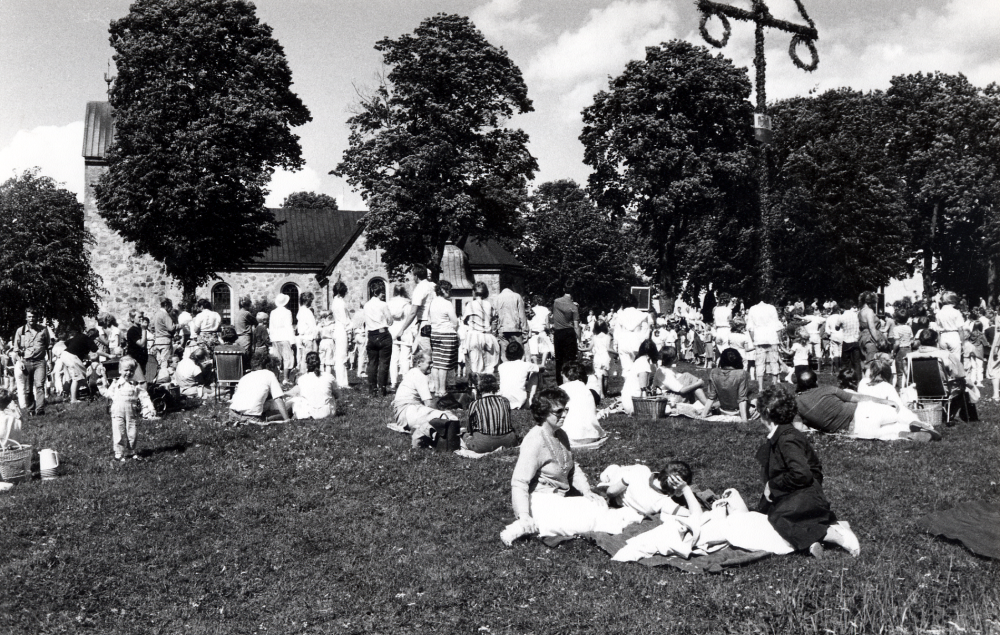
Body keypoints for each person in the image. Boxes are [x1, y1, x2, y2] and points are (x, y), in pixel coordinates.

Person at [501, 388, 634, 545]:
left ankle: (541, 524)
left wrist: (586, 491)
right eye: (558, 411)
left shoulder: (560, 434)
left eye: (566, 409)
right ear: (543, 413)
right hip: (540, 500)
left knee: (597, 505)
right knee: (591, 519)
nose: (564, 414)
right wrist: (523, 515)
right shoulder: (534, 441)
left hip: (559, 497)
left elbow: (572, 467)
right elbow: (519, 482)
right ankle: (525, 525)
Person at [755, 384, 860, 558]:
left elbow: (801, 474)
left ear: (766, 413)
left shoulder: (787, 439)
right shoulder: (781, 435)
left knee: (779, 518)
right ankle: (814, 539)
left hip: (808, 491)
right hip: (796, 489)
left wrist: (772, 485)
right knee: (768, 516)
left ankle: (835, 535)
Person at [794, 369, 936, 441]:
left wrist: (813, 421)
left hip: (854, 429)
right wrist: (884, 401)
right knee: (897, 412)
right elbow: (858, 397)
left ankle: (903, 433)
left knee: (880, 434)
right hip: (862, 411)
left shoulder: (796, 405)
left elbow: (799, 429)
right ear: (816, 382)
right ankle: (916, 423)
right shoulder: (828, 389)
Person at [600, 460, 704, 526]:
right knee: (613, 472)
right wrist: (686, 489)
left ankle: (613, 471)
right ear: (677, 490)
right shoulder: (663, 503)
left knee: (616, 471)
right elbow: (697, 516)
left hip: (618, 478)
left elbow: (610, 492)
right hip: (617, 479)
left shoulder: (641, 471)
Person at [392, 351, 459, 445]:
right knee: (449, 417)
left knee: (440, 417)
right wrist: (440, 412)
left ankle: (420, 428)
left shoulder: (412, 372)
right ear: (419, 363)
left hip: (402, 415)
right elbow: (429, 404)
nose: (432, 365)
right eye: (429, 363)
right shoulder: (420, 376)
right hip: (408, 412)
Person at [101, 356, 158, 461]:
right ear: (120, 370)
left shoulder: (135, 384)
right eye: (126, 370)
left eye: (131, 370)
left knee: (132, 432)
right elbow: (108, 394)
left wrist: (150, 407)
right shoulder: (116, 383)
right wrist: (101, 387)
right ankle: (119, 453)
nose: (128, 373)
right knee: (119, 431)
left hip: (131, 411)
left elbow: (144, 396)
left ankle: (131, 451)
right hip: (117, 411)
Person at [229, 350, 290, 425]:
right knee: (284, 411)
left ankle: (238, 422)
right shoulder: (269, 374)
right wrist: (287, 419)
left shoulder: (245, 377)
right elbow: (278, 399)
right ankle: (253, 422)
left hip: (233, 413)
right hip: (251, 416)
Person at [463, 374, 519, 453]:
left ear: (479, 387)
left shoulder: (475, 404)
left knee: (464, 434)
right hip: (509, 442)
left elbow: (470, 428)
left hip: (483, 444)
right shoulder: (505, 401)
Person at [12, 307, 52, 415]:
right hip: (26, 362)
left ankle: (40, 410)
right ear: (26, 318)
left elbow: (49, 347)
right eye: (29, 317)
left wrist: (50, 361)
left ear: (37, 318)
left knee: (40, 385)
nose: (31, 319)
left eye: (33, 316)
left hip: (40, 362)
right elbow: (16, 349)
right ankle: (31, 410)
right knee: (28, 388)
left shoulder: (43, 329)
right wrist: (20, 361)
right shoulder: (20, 331)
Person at [558, 362, 607, 448]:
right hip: (592, 436)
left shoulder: (561, 389)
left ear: (565, 375)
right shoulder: (586, 390)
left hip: (569, 437)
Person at [393, 264, 436, 358]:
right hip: (435, 322)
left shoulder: (420, 288)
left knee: (426, 355)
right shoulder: (433, 286)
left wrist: (402, 329)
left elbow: (413, 312)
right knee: (433, 354)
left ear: (416, 276)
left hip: (424, 324)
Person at [746, 294, 784, 392]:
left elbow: (750, 328)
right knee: (774, 362)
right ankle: (774, 386)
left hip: (759, 338)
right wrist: (780, 340)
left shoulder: (752, 309)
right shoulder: (771, 308)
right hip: (772, 337)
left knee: (759, 363)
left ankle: (760, 387)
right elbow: (777, 326)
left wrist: (754, 340)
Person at [702, 348, 753, 421]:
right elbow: (742, 399)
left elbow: (711, 397)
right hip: (738, 412)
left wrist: (703, 415)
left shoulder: (714, 372)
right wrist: (744, 420)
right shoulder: (742, 374)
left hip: (722, 410)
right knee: (755, 401)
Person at [428, 280, 459, 397]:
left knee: (436, 363)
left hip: (435, 333)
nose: (449, 292)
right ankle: (442, 390)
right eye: (448, 290)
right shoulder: (447, 303)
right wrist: (454, 328)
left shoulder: (432, 302)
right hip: (447, 334)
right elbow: (455, 321)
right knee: (444, 364)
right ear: (442, 290)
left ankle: (436, 390)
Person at [363, 280, 394, 397]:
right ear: (379, 293)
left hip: (371, 334)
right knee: (384, 363)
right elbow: (390, 320)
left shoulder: (366, 305)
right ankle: (382, 388)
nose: (383, 295)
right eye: (382, 292)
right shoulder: (383, 305)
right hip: (383, 334)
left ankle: (372, 388)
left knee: (372, 363)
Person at [287, 351, 338, 419]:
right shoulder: (329, 376)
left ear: (307, 364)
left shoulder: (301, 379)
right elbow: (337, 395)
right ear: (319, 362)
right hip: (327, 413)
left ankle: (289, 415)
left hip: (306, 413)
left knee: (296, 399)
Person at [465, 282, 500, 376]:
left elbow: (465, 320)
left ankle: (475, 384)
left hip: (474, 335)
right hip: (487, 336)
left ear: (474, 292)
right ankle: (488, 383)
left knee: (475, 365)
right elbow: (494, 320)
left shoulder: (470, 304)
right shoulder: (489, 305)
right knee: (489, 366)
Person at [61, 326, 98, 403]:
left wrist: (75, 349)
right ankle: (73, 399)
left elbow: (66, 343)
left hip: (64, 355)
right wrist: (109, 356)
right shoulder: (87, 339)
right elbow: (96, 351)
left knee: (73, 377)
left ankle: (69, 395)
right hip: (71, 357)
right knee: (77, 378)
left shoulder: (79, 336)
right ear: (92, 336)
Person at [497, 341, 539, 409]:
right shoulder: (526, 365)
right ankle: (531, 399)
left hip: (504, 401)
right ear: (522, 353)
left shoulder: (501, 366)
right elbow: (541, 368)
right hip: (521, 400)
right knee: (536, 373)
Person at [621, 339, 658, 415]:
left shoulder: (639, 361)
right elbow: (643, 389)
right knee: (667, 408)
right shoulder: (644, 364)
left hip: (629, 401)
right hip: (634, 404)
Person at [387, 284, 412, 389]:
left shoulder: (389, 303)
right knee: (405, 358)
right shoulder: (407, 304)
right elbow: (410, 318)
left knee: (393, 358)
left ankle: (393, 382)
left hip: (392, 331)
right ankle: (405, 381)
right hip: (405, 331)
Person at [494, 286, 528, 362]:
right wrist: (525, 332)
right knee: (519, 353)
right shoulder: (517, 296)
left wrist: (494, 332)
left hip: (502, 329)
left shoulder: (497, 298)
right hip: (516, 329)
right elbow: (522, 315)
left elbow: (495, 317)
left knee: (504, 354)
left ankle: (506, 368)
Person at [329, 276, 351, 389]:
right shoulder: (340, 302)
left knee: (339, 355)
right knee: (341, 355)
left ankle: (341, 380)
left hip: (338, 327)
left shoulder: (335, 301)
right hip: (341, 328)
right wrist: (350, 327)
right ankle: (342, 382)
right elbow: (344, 319)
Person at [935, 292, 966, 371]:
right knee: (955, 360)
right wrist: (962, 343)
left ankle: (946, 376)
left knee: (944, 360)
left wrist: (939, 342)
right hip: (954, 335)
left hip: (943, 336)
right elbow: (960, 329)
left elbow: (938, 330)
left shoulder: (939, 313)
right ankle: (955, 376)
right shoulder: (956, 312)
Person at [269, 293, 296, 384]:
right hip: (285, 337)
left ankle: (276, 378)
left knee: (277, 359)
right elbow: (289, 326)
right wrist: (292, 340)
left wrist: (272, 338)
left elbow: (271, 326)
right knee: (287, 358)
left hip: (275, 337)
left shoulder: (273, 312)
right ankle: (286, 379)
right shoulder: (287, 312)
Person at [858, 291, 884, 364]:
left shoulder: (860, 312)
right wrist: (878, 340)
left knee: (865, 361)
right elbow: (871, 327)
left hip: (863, 337)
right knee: (872, 361)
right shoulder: (869, 311)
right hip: (870, 339)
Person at [527, 297, 553, 368]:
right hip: (542, 331)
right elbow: (547, 322)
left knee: (533, 350)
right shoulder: (545, 309)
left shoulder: (531, 309)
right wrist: (549, 330)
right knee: (546, 348)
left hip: (532, 332)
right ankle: (543, 364)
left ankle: (536, 365)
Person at [839, 299, 862, 379]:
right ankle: (858, 379)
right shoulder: (856, 315)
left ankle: (846, 378)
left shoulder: (842, 317)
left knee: (845, 362)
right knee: (857, 362)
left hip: (847, 341)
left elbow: (837, 327)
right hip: (855, 340)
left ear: (842, 308)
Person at [296, 292, 319, 372]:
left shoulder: (300, 310)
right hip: (309, 337)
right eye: (311, 300)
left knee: (303, 357)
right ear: (307, 300)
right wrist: (316, 336)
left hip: (302, 337)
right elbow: (313, 326)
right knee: (310, 358)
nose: (311, 302)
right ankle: (309, 373)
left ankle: (303, 372)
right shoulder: (307, 312)